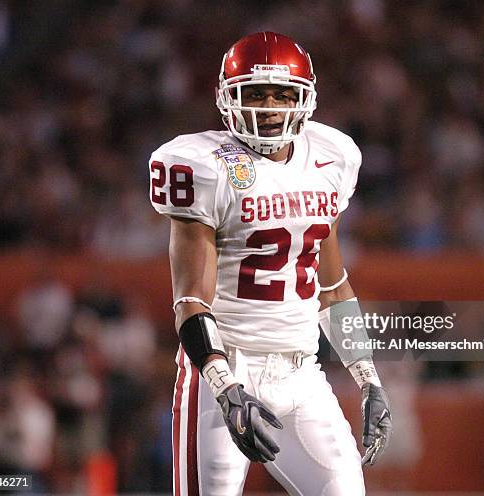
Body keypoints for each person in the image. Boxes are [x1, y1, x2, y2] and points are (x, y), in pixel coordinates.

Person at [149, 31, 392, 496]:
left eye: (282, 94)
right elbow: (189, 300)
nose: (268, 107)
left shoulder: (332, 156)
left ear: (305, 99)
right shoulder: (202, 165)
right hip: (223, 372)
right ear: (228, 98)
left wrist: (369, 378)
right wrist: (225, 388)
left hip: (303, 374)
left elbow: (333, 284)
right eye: (255, 93)